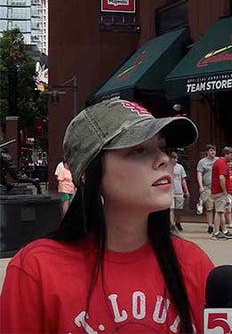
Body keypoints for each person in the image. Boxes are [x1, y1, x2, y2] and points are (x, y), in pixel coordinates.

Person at [0, 98, 214, 332]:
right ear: (90, 174)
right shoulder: (36, 270)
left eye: (163, 147)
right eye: (138, 150)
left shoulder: (193, 264)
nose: (164, 159)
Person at [210, 146, 232, 240]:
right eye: (231, 155)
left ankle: (224, 230)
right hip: (220, 191)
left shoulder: (220, 162)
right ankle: (216, 232)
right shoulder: (222, 163)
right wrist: (225, 191)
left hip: (218, 191)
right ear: (226, 154)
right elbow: (221, 178)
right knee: (219, 211)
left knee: (222, 211)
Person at [196, 144, 217, 234]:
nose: (213, 152)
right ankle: (210, 225)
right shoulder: (202, 162)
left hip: (218, 188)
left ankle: (218, 225)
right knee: (209, 207)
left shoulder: (218, 160)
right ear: (207, 152)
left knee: (219, 207)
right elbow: (199, 174)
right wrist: (201, 186)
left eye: (214, 150)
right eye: (211, 150)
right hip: (207, 187)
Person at [170, 151, 190, 233]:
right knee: (171, 209)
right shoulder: (166, 167)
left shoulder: (180, 167)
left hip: (179, 191)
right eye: (174, 158)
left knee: (178, 209)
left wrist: (186, 190)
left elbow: (183, 180)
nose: (175, 160)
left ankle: (178, 222)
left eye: (176, 158)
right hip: (170, 191)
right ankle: (171, 225)